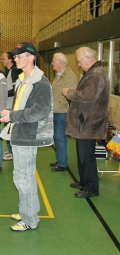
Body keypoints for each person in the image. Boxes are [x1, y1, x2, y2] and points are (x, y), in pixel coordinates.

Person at [0, 42, 53, 231]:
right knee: (20, 176)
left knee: (25, 178)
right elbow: (20, 106)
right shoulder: (23, 79)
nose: (15, 59)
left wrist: (12, 116)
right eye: (15, 56)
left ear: (31, 57)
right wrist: (8, 112)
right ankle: (27, 211)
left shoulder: (40, 82)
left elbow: (40, 111)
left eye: (19, 56)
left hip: (28, 136)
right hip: (19, 133)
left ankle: (30, 220)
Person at [62, 46, 109, 198]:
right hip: (85, 123)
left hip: (90, 124)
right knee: (82, 155)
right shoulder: (93, 72)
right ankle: (84, 181)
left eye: (80, 62)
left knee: (87, 156)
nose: (79, 65)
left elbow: (88, 96)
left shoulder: (96, 74)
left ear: (88, 58)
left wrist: (69, 93)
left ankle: (91, 188)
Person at [50, 53, 78, 172]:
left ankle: (62, 163)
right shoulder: (58, 75)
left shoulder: (69, 76)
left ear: (61, 62)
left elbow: (69, 95)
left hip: (62, 112)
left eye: (53, 61)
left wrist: (57, 105)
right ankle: (60, 159)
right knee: (57, 137)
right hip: (56, 111)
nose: (52, 63)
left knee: (60, 137)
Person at [1, 52, 21, 161]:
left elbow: (15, 90)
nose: (2, 60)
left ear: (10, 60)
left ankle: (12, 152)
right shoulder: (9, 71)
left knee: (9, 130)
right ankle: (10, 150)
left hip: (11, 105)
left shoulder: (14, 71)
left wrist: (2, 93)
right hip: (8, 104)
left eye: (3, 58)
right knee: (8, 129)